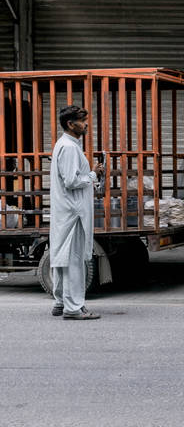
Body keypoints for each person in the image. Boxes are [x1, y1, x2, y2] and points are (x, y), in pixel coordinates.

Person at [48, 105, 105, 319]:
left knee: (64, 259)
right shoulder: (70, 147)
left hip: (66, 212)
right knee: (74, 261)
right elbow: (72, 181)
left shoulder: (64, 144)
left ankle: (61, 302)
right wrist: (92, 174)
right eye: (82, 120)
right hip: (73, 213)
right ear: (71, 124)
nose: (86, 124)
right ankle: (73, 308)